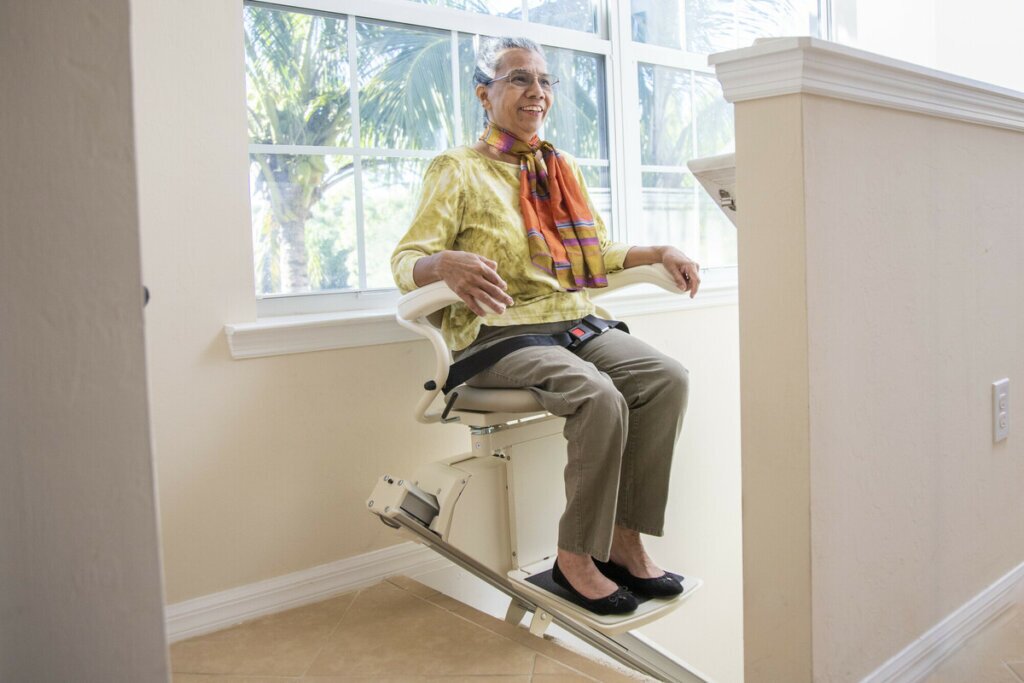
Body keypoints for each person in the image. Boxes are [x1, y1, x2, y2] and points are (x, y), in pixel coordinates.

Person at [391, 37, 700, 615]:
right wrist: (444, 264)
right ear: (484, 95)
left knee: (666, 378)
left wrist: (659, 251)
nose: (536, 91)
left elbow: (595, 252)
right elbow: (407, 260)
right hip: (497, 332)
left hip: (571, 321)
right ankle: (574, 558)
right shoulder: (457, 169)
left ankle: (622, 539)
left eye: (543, 80)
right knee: (598, 395)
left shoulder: (560, 168)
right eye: (518, 79)